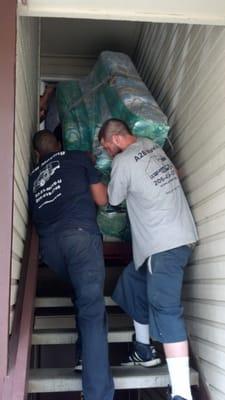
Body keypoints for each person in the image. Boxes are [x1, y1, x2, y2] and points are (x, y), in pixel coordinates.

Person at [98, 118, 198, 400]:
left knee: (166, 309)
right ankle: (143, 350)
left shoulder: (123, 161)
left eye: (107, 148)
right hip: (173, 239)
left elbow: (113, 199)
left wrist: (102, 174)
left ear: (116, 139)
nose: (108, 153)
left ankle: (181, 392)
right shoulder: (152, 146)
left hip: (162, 245)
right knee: (131, 282)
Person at [28, 129, 114, 400]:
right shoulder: (77, 158)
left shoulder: (32, 178)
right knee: (92, 310)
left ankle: (82, 358)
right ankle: (98, 394)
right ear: (59, 145)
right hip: (79, 238)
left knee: (82, 297)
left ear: (36, 154)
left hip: (51, 250)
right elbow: (102, 199)